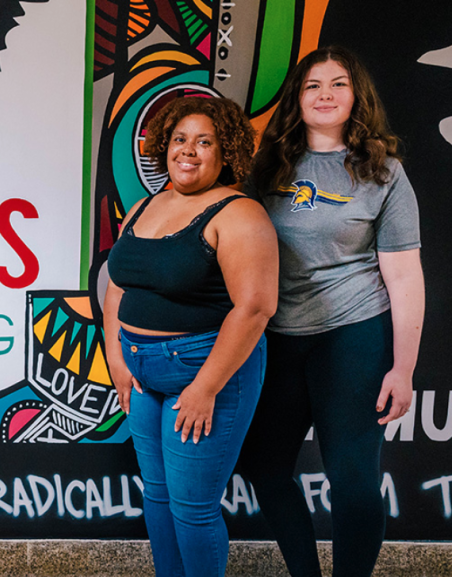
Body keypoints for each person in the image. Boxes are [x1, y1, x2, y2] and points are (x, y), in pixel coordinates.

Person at [238, 46, 425, 577]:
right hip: (275, 336)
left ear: (356, 96)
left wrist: (403, 368)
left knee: (353, 483)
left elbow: (405, 276)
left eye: (338, 83)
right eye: (312, 85)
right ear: (297, 99)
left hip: (352, 334)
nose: (325, 94)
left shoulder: (383, 172)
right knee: (265, 468)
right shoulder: (265, 167)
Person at [103, 96, 278, 577]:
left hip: (204, 372)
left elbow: (255, 307)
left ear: (226, 152)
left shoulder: (239, 214)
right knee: (157, 497)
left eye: (205, 142)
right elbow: (117, 287)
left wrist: (205, 388)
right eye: (180, 139)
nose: (188, 150)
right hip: (141, 371)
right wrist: (116, 358)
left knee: (192, 507)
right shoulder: (143, 207)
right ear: (164, 146)